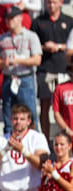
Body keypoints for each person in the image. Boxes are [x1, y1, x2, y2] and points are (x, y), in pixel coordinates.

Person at [0, 6, 42, 134]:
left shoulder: (31, 36)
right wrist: (4, 63)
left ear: (20, 18)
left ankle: (34, 145)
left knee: (30, 114)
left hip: (25, 78)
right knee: (9, 114)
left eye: (12, 18)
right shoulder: (2, 39)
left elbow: (37, 60)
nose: (9, 21)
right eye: (7, 19)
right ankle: (10, 145)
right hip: (8, 79)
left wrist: (19, 61)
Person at [31, 0, 73, 139]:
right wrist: (44, 47)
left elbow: (70, 45)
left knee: (66, 104)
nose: (51, 5)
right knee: (44, 104)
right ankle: (45, 137)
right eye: (48, 2)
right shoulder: (38, 22)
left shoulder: (69, 21)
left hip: (64, 69)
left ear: (61, 3)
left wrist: (59, 46)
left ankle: (66, 137)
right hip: (45, 68)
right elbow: (33, 44)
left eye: (54, 2)